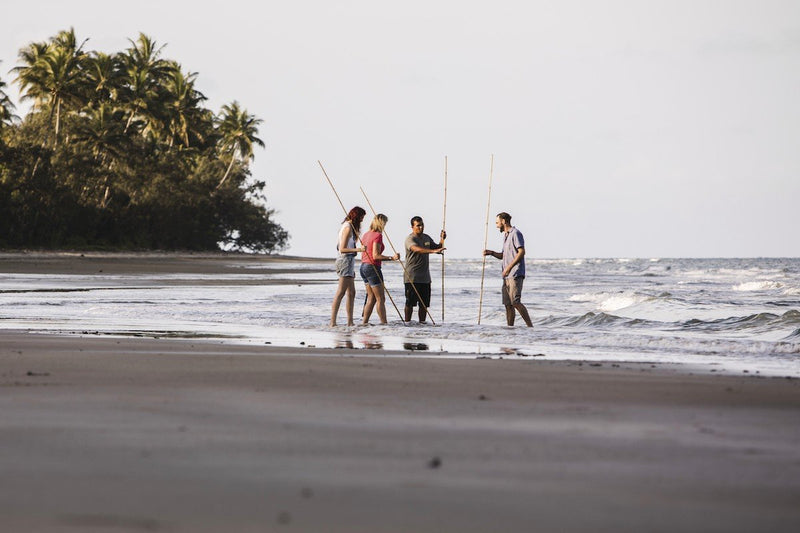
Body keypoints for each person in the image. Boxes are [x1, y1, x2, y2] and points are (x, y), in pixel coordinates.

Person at [483, 212, 533, 327]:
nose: (496, 225)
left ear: (504, 221)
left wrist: (509, 267)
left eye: (497, 222)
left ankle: (531, 327)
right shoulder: (506, 236)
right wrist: (490, 253)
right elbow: (503, 255)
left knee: (515, 302)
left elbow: (522, 252)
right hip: (506, 276)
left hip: (515, 273)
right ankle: (509, 330)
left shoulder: (516, 233)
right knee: (508, 305)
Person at [403, 216, 446, 322]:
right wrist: (432, 251)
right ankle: (407, 324)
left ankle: (422, 325)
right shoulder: (410, 239)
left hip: (425, 278)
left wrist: (442, 239)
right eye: (418, 225)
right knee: (410, 303)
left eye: (422, 225)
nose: (421, 227)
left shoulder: (426, 238)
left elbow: (436, 247)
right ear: (412, 227)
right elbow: (416, 249)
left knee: (424, 304)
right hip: (412, 277)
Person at [360, 213, 400, 325]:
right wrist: (392, 258)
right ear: (381, 223)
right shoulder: (378, 235)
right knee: (380, 298)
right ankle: (384, 324)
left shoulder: (366, 234)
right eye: (385, 223)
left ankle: (364, 323)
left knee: (371, 297)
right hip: (372, 267)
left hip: (363, 267)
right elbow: (376, 255)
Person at [330, 206, 367, 326]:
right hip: (344, 260)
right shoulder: (347, 227)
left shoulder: (351, 227)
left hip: (349, 261)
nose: (362, 220)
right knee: (341, 291)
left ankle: (350, 322)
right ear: (356, 216)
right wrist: (359, 249)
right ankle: (332, 322)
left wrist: (355, 251)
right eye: (361, 217)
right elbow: (342, 249)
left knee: (351, 292)